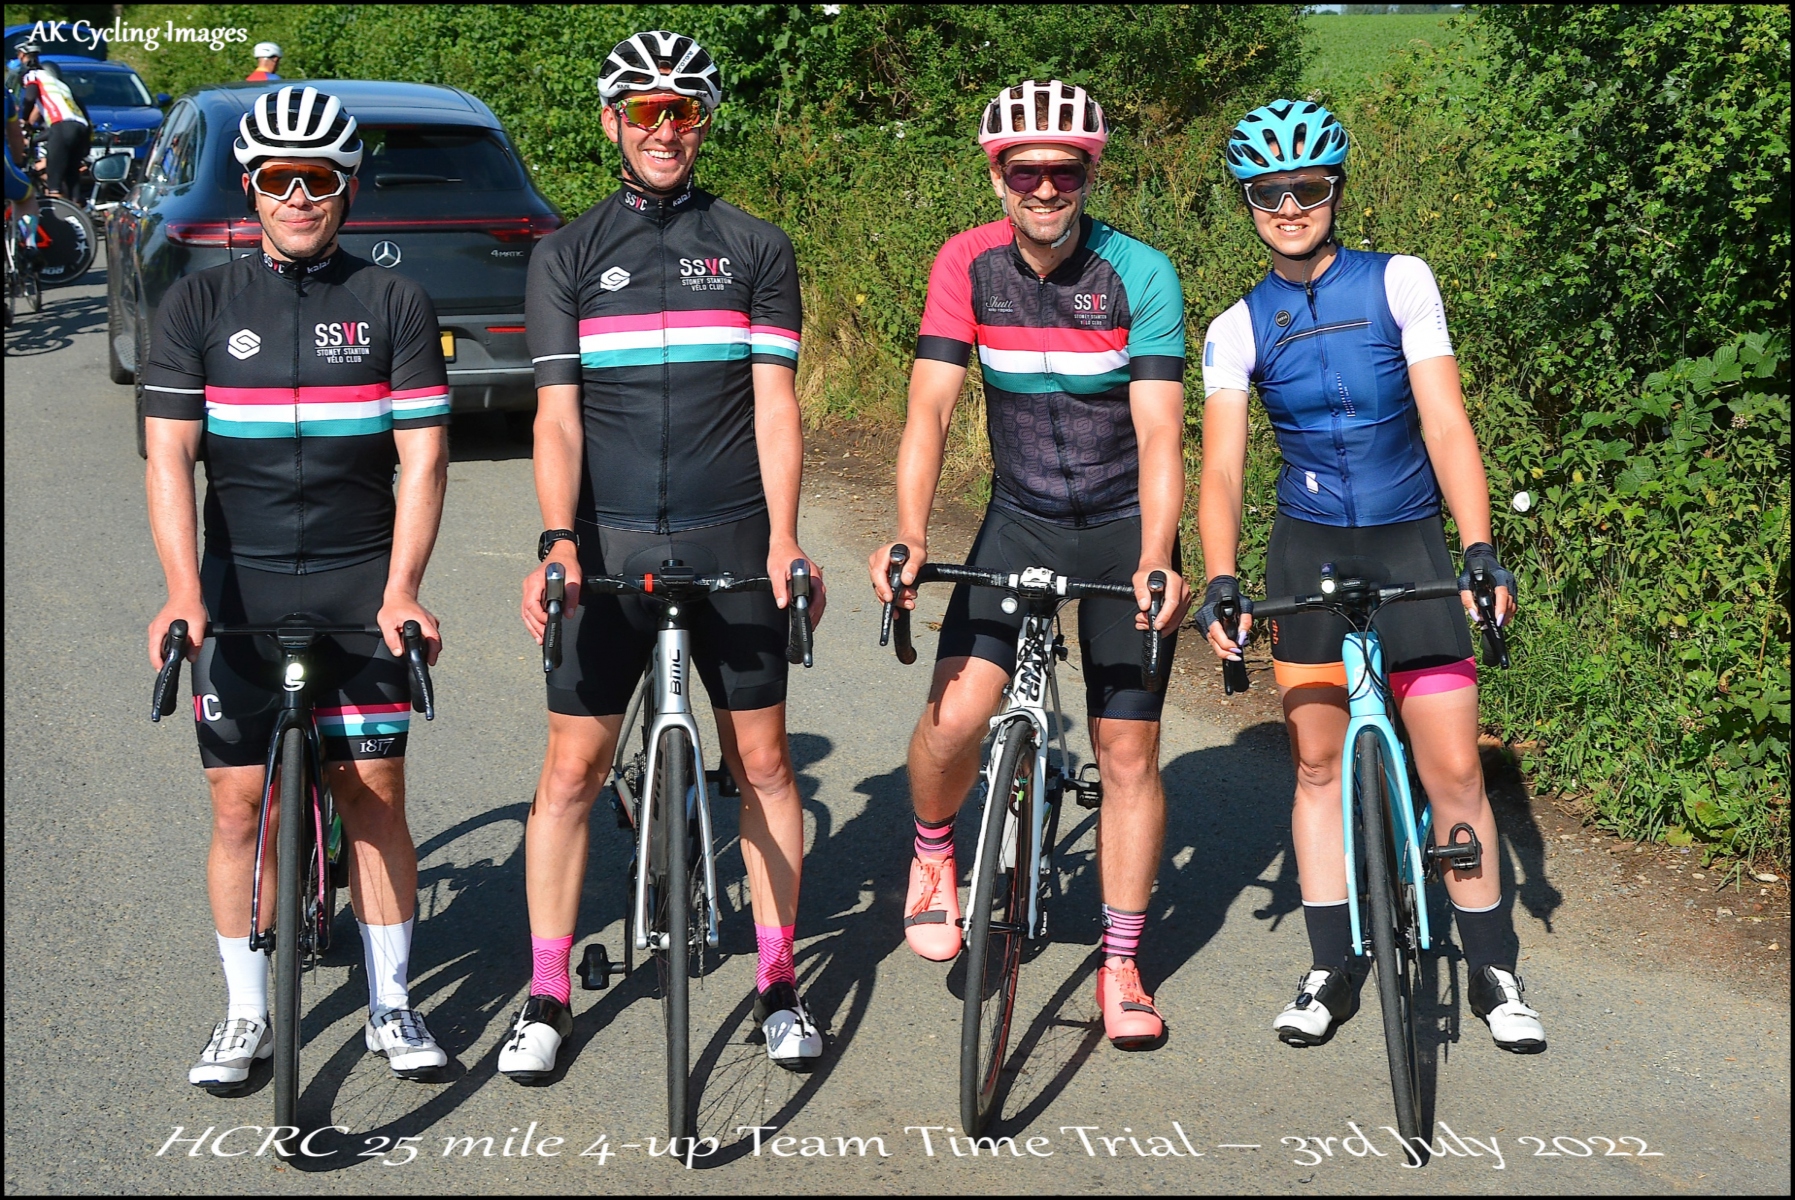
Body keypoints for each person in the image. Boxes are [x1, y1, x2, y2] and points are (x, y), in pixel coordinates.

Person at [503, 30, 824, 1080]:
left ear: (704, 122)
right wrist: (557, 540)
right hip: (608, 545)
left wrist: (785, 539)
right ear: (613, 122)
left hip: (732, 534)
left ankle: (778, 981)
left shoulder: (755, 247)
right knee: (570, 772)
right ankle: (546, 992)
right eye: (645, 111)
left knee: (764, 764)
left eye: (683, 110)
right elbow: (557, 418)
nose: (664, 129)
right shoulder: (566, 255)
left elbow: (774, 408)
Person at [1196, 100, 1546, 1052]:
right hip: (1305, 550)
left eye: (1306, 189)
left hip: (1409, 544)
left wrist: (1477, 545)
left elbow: (1443, 420)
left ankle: (1492, 967)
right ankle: (1329, 965)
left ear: (1335, 192)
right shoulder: (1235, 326)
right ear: (1247, 204)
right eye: (1267, 194)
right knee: (1315, 765)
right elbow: (1221, 470)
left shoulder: (1399, 281)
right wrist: (1220, 577)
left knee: (1454, 768)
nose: (1288, 208)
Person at [868, 79, 1192, 1049]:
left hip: (1122, 526)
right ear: (997, 176)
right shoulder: (965, 264)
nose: (1045, 188)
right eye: (1025, 172)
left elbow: (1161, 432)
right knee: (952, 719)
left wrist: (1157, 554)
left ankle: (1121, 964)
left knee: (1126, 753)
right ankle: (934, 854)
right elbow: (929, 408)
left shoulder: (1139, 272)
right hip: (1020, 521)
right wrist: (910, 532)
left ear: (1089, 173)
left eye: (1064, 171)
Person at [143, 85, 454, 1088]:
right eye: (279, 179)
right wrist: (181, 590)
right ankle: (245, 1015)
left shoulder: (393, 303)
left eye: (317, 179)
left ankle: (392, 1004)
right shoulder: (197, 304)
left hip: (361, 583)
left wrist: (405, 588)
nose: (298, 198)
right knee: (240, 806)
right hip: (241, 586)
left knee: (375, 793)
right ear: (252, 188)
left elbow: (424, 458)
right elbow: (168, 457)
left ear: (345, 188)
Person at [17, 51, 89, 199]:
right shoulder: (61, 86)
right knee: (72, 177)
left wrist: (24, 119)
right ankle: (77, 210)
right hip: (81, 128)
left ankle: (55, 211)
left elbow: (30, 98)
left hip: (62, 126)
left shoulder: (33, 74)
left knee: (54, 182)